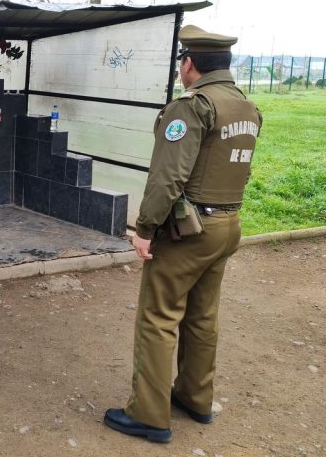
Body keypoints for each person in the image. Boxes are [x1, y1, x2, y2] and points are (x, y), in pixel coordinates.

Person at [104, 25, 263, 443]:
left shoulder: (191, 107)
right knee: (203, 316)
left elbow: (167, 178)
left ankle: (148, 415)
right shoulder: (246, 107)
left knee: (158, 317)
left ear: (189, 63)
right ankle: (195, 397)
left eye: (181, 62)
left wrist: (144, 229)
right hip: (228, 225)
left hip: (188, 231)